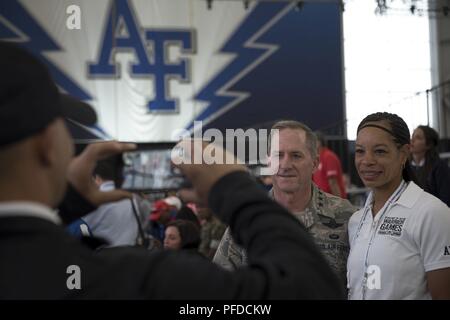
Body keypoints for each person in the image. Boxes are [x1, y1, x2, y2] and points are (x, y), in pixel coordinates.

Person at [0, 41, 344, 299]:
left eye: (295, 155)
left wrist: (67, 202)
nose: (285, 164)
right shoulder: (137, 279)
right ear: (47, 145)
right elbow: (307, 289)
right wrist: (234, 188)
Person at [214, 120, 356, 285]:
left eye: (296, 155)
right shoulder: (246, 220)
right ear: (268, 162)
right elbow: (220, 286)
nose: (286, 164)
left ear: (315, 164)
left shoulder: (347, 217)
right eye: (278, 155)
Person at [347, 112, 450, 300]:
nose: (367, 161)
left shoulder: (431, 213)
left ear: (403, 154)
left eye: (380, 151)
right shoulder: (357, 220)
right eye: (360, 151)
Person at [81, 157, 139, 247]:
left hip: (105, 255)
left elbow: (83, 226)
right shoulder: (131, 198)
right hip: (130, 254)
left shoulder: (96, 198)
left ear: (97, 177)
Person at [410, 125, 450, 206]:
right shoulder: (406, 167)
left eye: (418, 137)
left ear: (428, 145)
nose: (412, 140)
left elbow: (446, 199)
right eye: (412, 136)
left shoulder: (439, 167)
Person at [313, 132, 347, 198]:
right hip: (321, 201)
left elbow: (333, 183)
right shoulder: (317, 158)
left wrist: (339, 204)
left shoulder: (328, 156)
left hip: (332, 202)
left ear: (319, 142)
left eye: (312, 141)